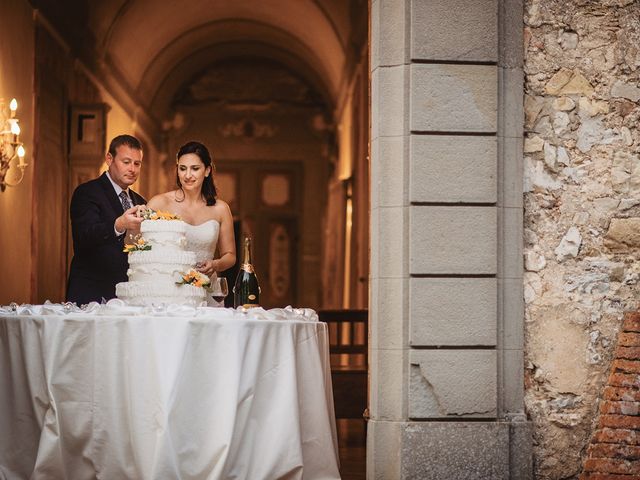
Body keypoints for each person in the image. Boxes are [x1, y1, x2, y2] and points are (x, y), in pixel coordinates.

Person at [146, 141, 236, 302]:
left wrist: (215, 265)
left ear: (207, 171)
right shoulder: (159, 203)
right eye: (182, 168)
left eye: (195, 169)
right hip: (171, 290)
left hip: (207, 289)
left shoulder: (221, 209)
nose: (188, 175)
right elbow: (139, 247)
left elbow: (230, 256)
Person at [66, 134, 146, 305]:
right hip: (92, 293)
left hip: (128, 296)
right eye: (126, 162)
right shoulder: (87, 192)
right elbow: (84, 237)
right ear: (109, 159)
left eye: (137, 163)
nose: (132, 169)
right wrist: (118, 225)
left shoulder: (141, 202)